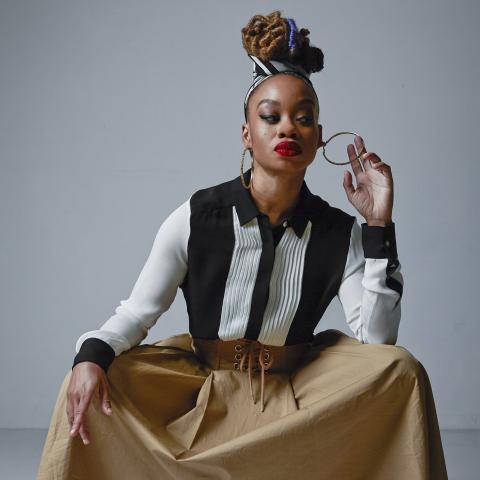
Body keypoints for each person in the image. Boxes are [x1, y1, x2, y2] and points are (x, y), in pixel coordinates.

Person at [37, 10, 448, 479]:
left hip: (297, 392)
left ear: (317, 141)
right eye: (271, 117)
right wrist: (90, 356)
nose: (287, 128)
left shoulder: (339, 232)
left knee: (401, 370)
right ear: (247, 135)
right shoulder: (197, 216)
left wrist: (377, 225)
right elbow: (137, 313)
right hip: (201, 385)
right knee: (91, 377)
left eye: (304, 118)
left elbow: (376, 342)